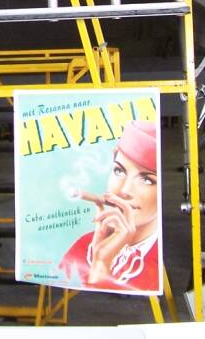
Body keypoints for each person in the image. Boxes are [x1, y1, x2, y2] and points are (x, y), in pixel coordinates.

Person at [58, 119, 160, 293]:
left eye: (146, 180)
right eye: (119, 170)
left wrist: (103, 266)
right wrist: (100, 261)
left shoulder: (157, 261)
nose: (124, 191)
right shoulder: (83, 247)